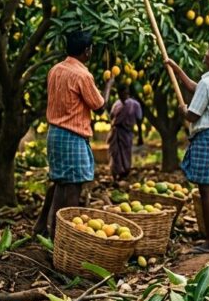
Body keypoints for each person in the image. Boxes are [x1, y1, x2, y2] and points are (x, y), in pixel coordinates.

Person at [33, 31, 114, 239]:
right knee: (73, 186)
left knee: (61, 181)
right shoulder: (82, 75)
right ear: (87, 51)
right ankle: (67, 237)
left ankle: (47, 229)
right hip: (72, 135)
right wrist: (108, 86)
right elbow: (99, 107)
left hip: (55, 134)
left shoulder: (55, 70)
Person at [165, 43, 209, 253]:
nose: (205, 53)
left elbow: (193, 115)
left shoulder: (208, 82)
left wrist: (183, 111)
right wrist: (177, 70)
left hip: (207, 137)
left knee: (206, 189)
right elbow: (195, 87)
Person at [107, 86, 142, 184]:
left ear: (128, 93)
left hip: (127, 133)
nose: (123, 95)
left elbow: (139, 120)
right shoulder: (116, 104)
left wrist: (140, 135)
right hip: (116, 132)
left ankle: (125, 174)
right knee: (115, 154)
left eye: (126, 93)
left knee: (126, 154)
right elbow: (111, 117)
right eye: (121, 93)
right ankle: (115, 175)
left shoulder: (134, 104)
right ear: (118, 94)